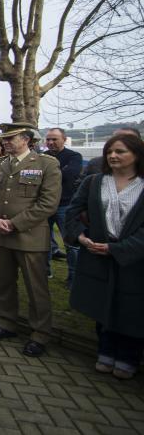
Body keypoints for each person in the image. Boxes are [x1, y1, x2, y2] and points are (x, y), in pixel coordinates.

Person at [65, 134, 144, 380]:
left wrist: (119, 249)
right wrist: (80, 237)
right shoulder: (94, 182)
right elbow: (73, 212)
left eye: (120, 151)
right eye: (110, 151)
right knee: (102, 302)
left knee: (131, 307)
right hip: (97, 253)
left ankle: (128, 356)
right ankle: (105, 350)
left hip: (133, 259)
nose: (113, 156)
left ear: (137, 155)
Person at [0, 122, 61, 357]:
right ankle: (6, 323)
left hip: (29, 237)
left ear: (26, 139)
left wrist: (15, 224)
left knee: (36, 288)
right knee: (5, 283)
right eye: (4, 139)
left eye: (11, 138)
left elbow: (48, 203)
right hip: (0, 235)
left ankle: (39, 334)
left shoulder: (46, 164)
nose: (5, 142)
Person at [43, 128, 83, 286]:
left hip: (64, 205)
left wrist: (47, 174)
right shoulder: (42, 156)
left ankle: (74, 277)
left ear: (64, 139)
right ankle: (45, 271)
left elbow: (69, 175)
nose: (51, 142)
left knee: (70, 242)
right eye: (48, 139)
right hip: (44, 205)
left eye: (54, 139)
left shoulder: (74, 156)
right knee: (43, 240)